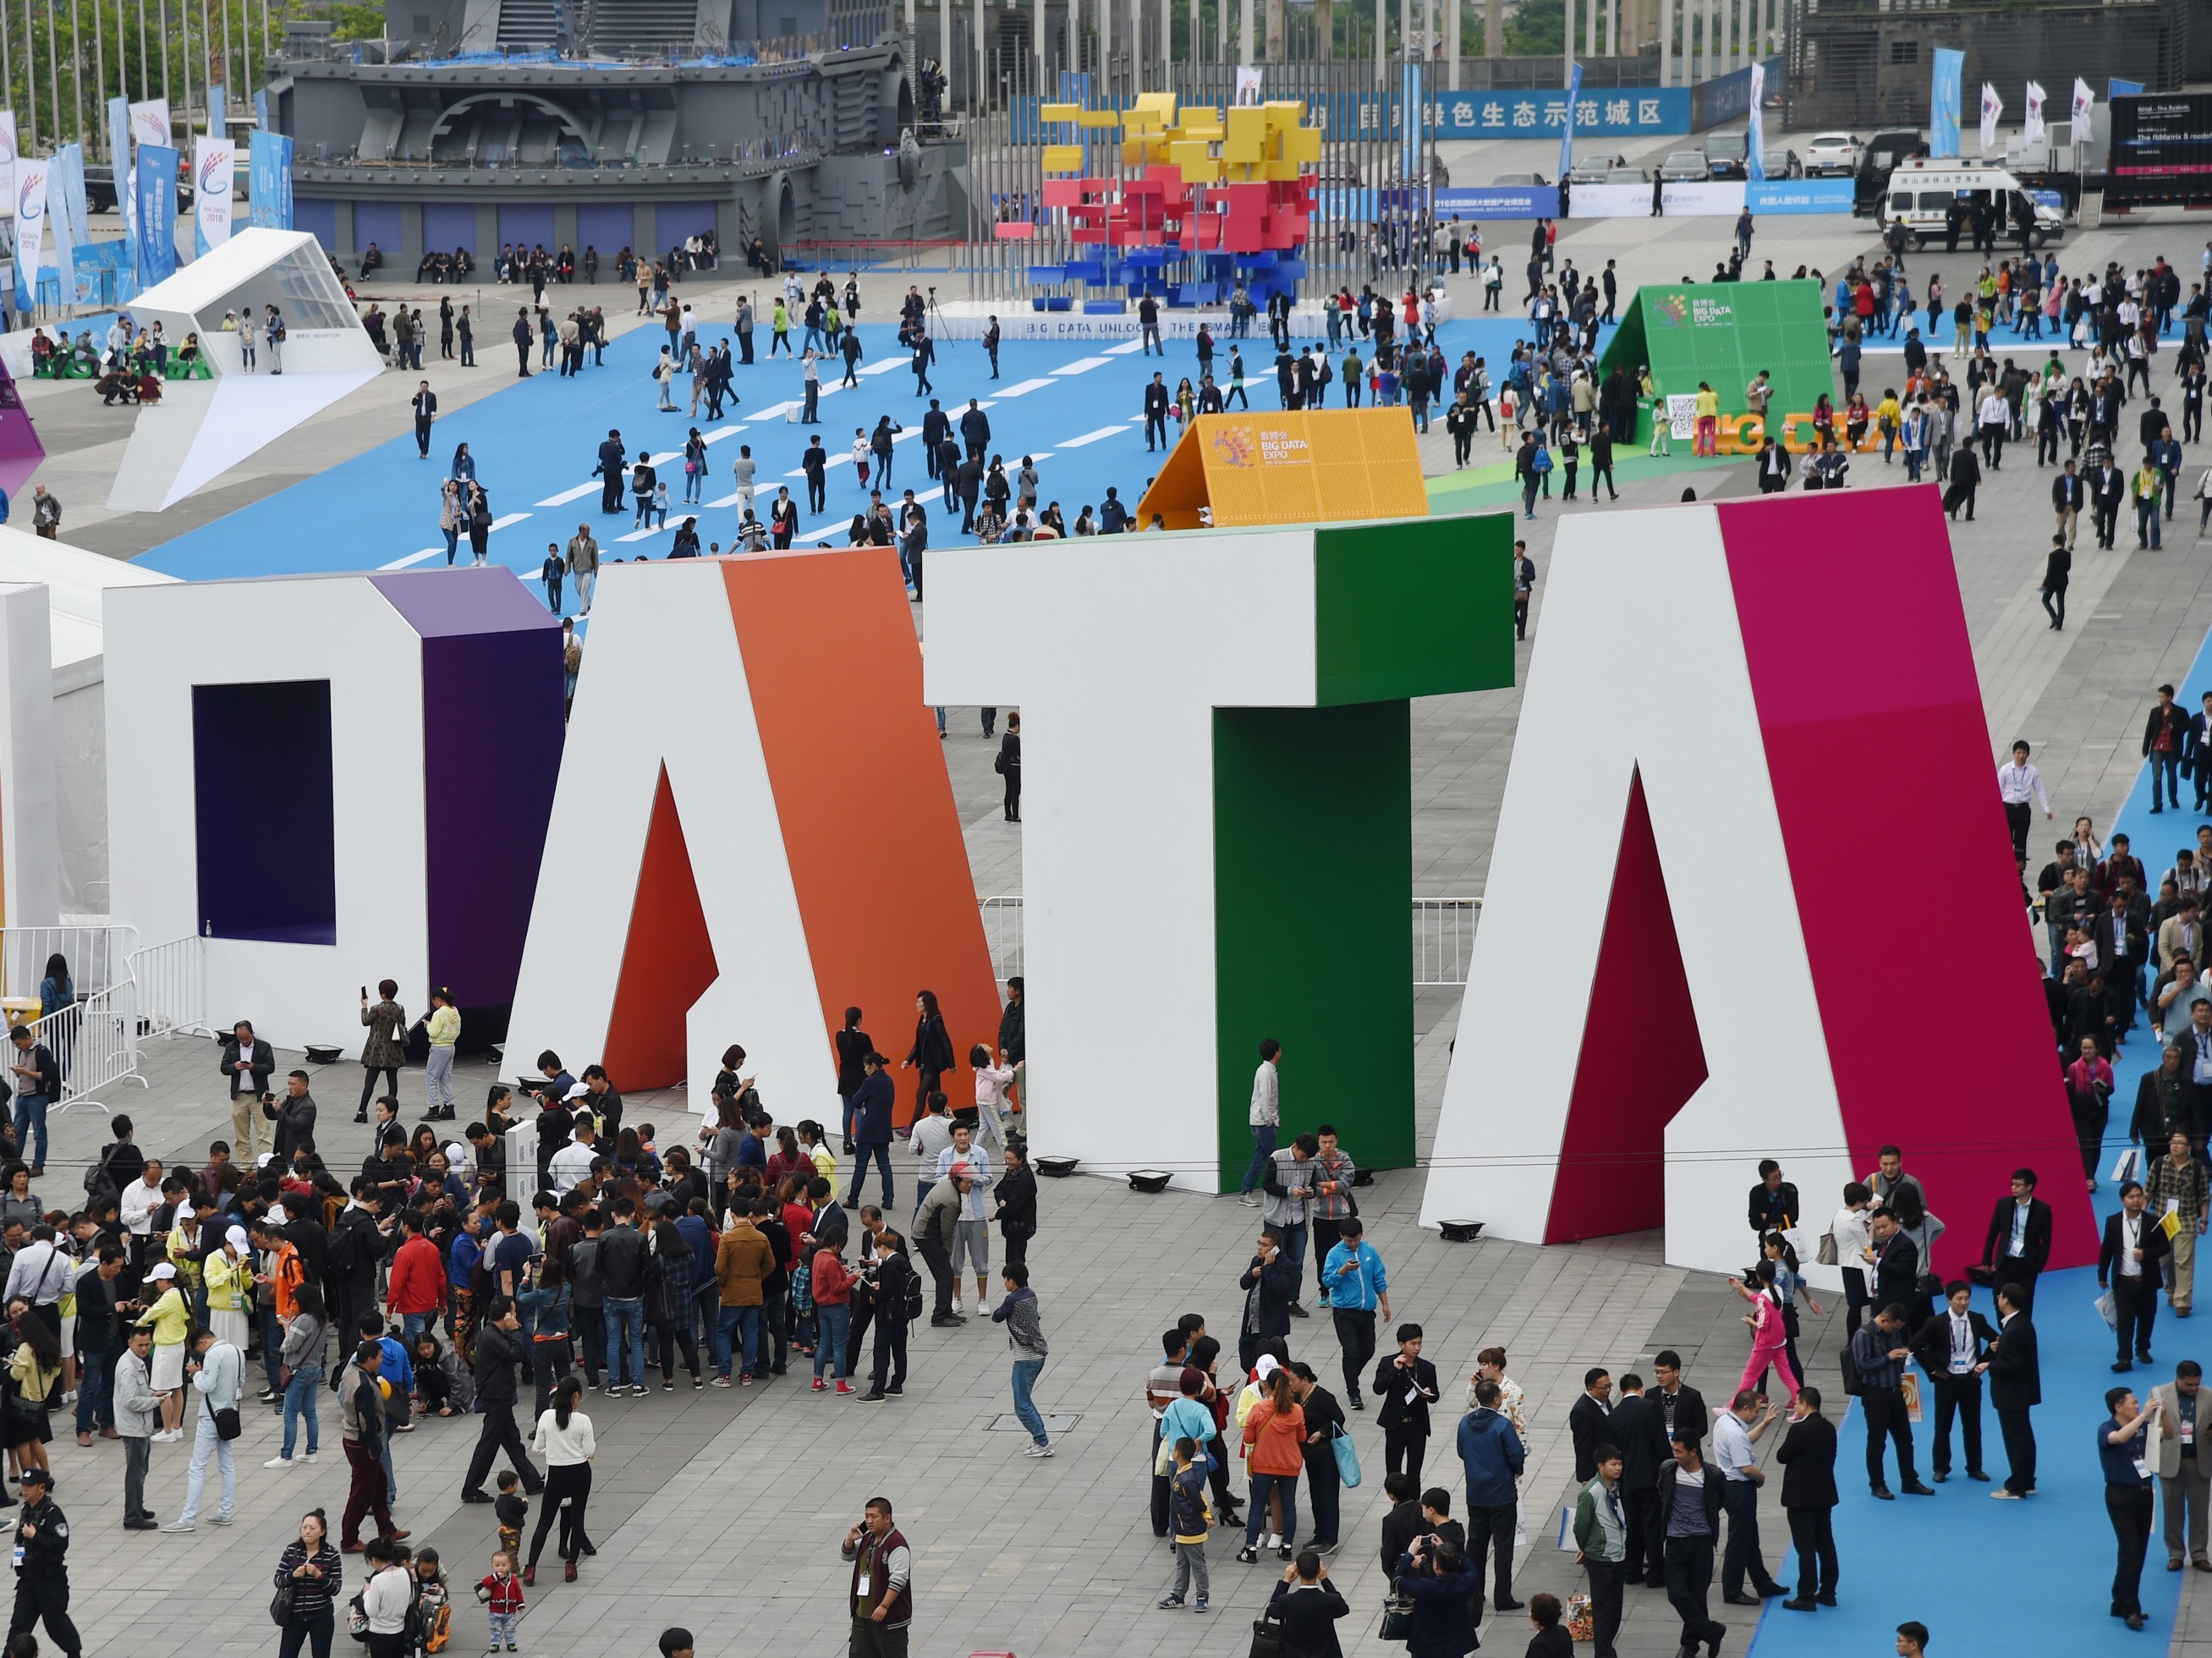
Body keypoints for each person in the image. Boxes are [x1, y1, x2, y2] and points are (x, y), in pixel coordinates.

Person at [460, 1298, 544, 1503]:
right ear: (506, 1315)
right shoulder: (492, 1336)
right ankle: (470, 1489)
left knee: (512, 1441)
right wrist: (516, 1331)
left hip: (500, 1395)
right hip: (496, 1397)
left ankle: (532, 1481)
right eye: (513, 1313)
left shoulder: (493, 1334)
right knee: (488, 1445)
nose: (515, 1317)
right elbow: (515, 1354)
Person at [1912, 1281, 1994, 1482]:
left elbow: (1996, 1341)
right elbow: (1915, 1345)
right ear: (1949, 1300)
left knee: (1973, 1427)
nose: (1963, 1303)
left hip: (1970, 1380)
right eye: (1959, 1299)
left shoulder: (1977, 1320)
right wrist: (1933, 1369)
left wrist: (1982, 1363)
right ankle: (1940, 1468)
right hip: (1946, 1381)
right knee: (1942, 1427)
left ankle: (1975, 1467)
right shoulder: (1936, 1323)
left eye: (1967, 1299)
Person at [1457, 1375, 1525, 1616]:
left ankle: (1474, 1594)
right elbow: (1516, 1455)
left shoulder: (1465, 1423)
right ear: (1497, 1399)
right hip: (1501, 1495)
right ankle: (1503, 1596)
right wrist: (1513, 1471)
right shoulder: (1502, 1425)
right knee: (1503, 1546)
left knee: (1475, 1545)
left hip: (1476, 1494)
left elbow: (1461, 1451)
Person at [1710, 1387, 1783, 1604]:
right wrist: (1761, 1477)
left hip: (1729, 1485)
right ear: (1744, 1409)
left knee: (1750, 1538)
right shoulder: (1734, 1433)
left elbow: (1745, 1440)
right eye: (1756, 1412)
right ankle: (1732, 1590)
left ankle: (1763, 1583)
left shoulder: (1726, 1422)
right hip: (1739, 1489)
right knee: (1739, 1542)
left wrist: (1766, 1424)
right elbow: (1746, 1468)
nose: (1757, 1415)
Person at [164, 1325, 240, 1530]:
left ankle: (187, 1519)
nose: (201, 1354)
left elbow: (206, 1386)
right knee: (227, 1466)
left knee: (197, 1467)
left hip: (210, 1417)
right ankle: (226, 1512)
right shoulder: (237, 1352)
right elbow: (240, 1382)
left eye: (200, 1350)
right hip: (229, 1415)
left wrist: (196, 1373)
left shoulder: (214, 1355)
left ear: (203, 1342)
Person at [1657, 1428, 1725, 1658]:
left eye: (1679, 1451)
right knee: (1676, 1594)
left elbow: (1720, 1501)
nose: (1674, 1454)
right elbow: (1662, 1494)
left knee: (1697, 1595)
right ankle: (1713, 1631)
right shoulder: (1668, 1470)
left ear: (1693, 1451)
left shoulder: (1712, 1476)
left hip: (1702, 1542)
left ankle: (1690, 1645)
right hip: (1676, 1541)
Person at [1850, 1304, 1930, 1497]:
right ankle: (1877, 1484)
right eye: (1894, 1328)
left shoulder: (1893, 1332)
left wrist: (1901, 1356)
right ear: (1884, 1320)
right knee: (1877, 1441)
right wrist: (1888, 1357)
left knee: (1905, 1439)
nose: (1896, 1332)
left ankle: (1909, 1480)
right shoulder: (1864, 1334)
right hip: (1875, 1394)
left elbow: (1895, 1355)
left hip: (1896, 1392)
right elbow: (1862, 1365)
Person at [1774, 1386, 1838, 1611]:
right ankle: (1828, 1591)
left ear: (1804, 1404)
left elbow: (1782, 1456)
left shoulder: (1800, 1430)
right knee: (1826, 1543)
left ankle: (1806, 1595)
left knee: (1805, 1546)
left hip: (1801, 1496)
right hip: (1824, 1493)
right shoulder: (1829, 1428)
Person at [526, 1375, 594, 1584]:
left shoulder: (546, 1417)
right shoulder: (583, 1420)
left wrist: (553, 1451)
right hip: (580, 1472)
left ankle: (531, 1568)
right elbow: (590, 1450)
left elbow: (536, 1446)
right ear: (576, 1396)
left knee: (544, 1522)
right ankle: (571, 1566)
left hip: (556, 1473)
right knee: (577, 1518)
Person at [2105, 1385, 2161, 1628]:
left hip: (2145, 1494)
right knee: (2130, 1549)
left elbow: (2167, 1434)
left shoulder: (2143, 1426)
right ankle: (2130, 1608)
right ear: (2118, 1407)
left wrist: (2160, 1415)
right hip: (2121, 1496)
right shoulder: (2106, 1429)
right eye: (2133, 1403)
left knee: (2137, 1551)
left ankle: (2119, 1601)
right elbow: (2119, 1438)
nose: (2138, 1406)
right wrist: (2143, 1416)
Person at [2102, 1179, 2171, 1371]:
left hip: (2147, 1280)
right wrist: (2102, 1274)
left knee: (2147, 1317)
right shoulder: (2113, 1221)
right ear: (2122, 1200)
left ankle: (2142, 1348)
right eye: (2131, 1197)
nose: (2136, 1200)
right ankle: (2124, 1357)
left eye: (2139, 1196)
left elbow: (2165, 1246)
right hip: (2123, 1281)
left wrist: (2145, 1254)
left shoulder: (2154, 1221)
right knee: (2125, 1320)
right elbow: (2106, 1248)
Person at [8, 1468, 75, 1658]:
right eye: (23, 1485)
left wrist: (36, 1536)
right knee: (19, 1625)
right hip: (28, 1580)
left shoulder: (52, 1512)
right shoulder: (26, 1509)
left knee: (56, 1623)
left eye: (29, 1486)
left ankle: (74, 1653)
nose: (24, 1489)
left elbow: (61, 1543)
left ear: (42, 1488)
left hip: (49, 1581)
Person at [1571, 1444, 1628, 1658]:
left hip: (1618, 1555)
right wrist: (1586, 1548)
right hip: (1601, 1558)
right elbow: (1580, 1526)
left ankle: (1606, 1650)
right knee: (1604, 1612)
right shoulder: (1591, 1492)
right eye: (1613, 1464)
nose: (1618, 1468)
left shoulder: (1614, 1487)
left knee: (1615, 1611)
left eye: (1620, 1463)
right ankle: (1604, 1653)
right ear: (1600, 1466)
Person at [840, 1496, 913, 1657]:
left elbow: (899, 1580)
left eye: (874, 1516)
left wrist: (884, 1606)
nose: (869, 1521)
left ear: (887, 1518)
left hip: (889, 1621)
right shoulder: (867, 1538)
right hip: (862, 1617)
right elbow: (847, 1555)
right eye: (867, 1517)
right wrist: (850, 1539)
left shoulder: (897, 1544)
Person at [989, 1263, 1050, 1455]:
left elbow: (997, 1316)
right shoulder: (1031, 1294)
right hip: (1038, 1353)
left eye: (1005, 1280)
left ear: (1012, 1281)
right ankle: (1039, 1437)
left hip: (1025, 1358)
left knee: (1022, 1406)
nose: (1005, 1283)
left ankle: (1043, 1443)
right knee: (1026, 1400)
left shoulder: (1012, 1299)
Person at [1990, 1280, 2041, 1498]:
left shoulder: (2013, 1329)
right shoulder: (2022, 1323)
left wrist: (1989, 1364)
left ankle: (2016, 1486)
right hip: (2022, 1391)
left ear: (2006, 1300)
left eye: (2000, 1296)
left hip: (2011, 1393)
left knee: (2016, 1439)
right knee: (2024, 1436)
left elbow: (2012, 1364)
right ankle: (2027, 1480)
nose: (1998, 1299)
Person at [1979, 1168, 2054, 1312]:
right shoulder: (2003, 1204)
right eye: (2012, 1184)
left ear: (2029, 1187)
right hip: (2005, 1261)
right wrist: (1986, 1261)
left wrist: (2039, 1265)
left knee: (2025, 1301)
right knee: (1999, 1298)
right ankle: (2005, 1331)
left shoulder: (2042, 1209)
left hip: (2027, 1263)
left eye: (2018, 1185)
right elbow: (1993, 1233)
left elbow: (2046, 1240)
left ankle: (2022, 1332)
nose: (2013, 1188)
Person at [275, 1507, 343, 1658]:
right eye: (304, 1527)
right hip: (294, 1616)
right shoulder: (292, 1551)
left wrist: (319, 1576)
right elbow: (278, 1580)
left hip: (321, 1616)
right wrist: (293, 1575)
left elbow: (335, 1589)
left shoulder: (331, 1555)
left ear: (322, 1531)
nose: (307, 1531)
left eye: (312, 1528)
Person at [219, 1019, 273, 1162]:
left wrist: (253, 1067)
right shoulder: (232, 1047)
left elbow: (270, 1067)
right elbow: (224, 1068)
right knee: (241, 1136)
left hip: (259, 1096)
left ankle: (265, 1165)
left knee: (263, 1134)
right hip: (239, 1097)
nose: (244, 1041)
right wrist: (234, 1067)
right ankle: (246, 1167)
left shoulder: (263, 1047)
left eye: (246, 1038)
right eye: (240, 1038)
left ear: (252, 1033)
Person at [1238, 1040, 1282, 1205]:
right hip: (1262, 1123)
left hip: (1264, 1122)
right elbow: (1265, 1099)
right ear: (1276, 1052)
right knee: (1276, 1159)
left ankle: (1246, 1190)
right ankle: (1278, 1191)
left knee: (1260, 1158)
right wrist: (1270, 1120)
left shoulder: (1268, 1070)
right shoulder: (1265, 1072)